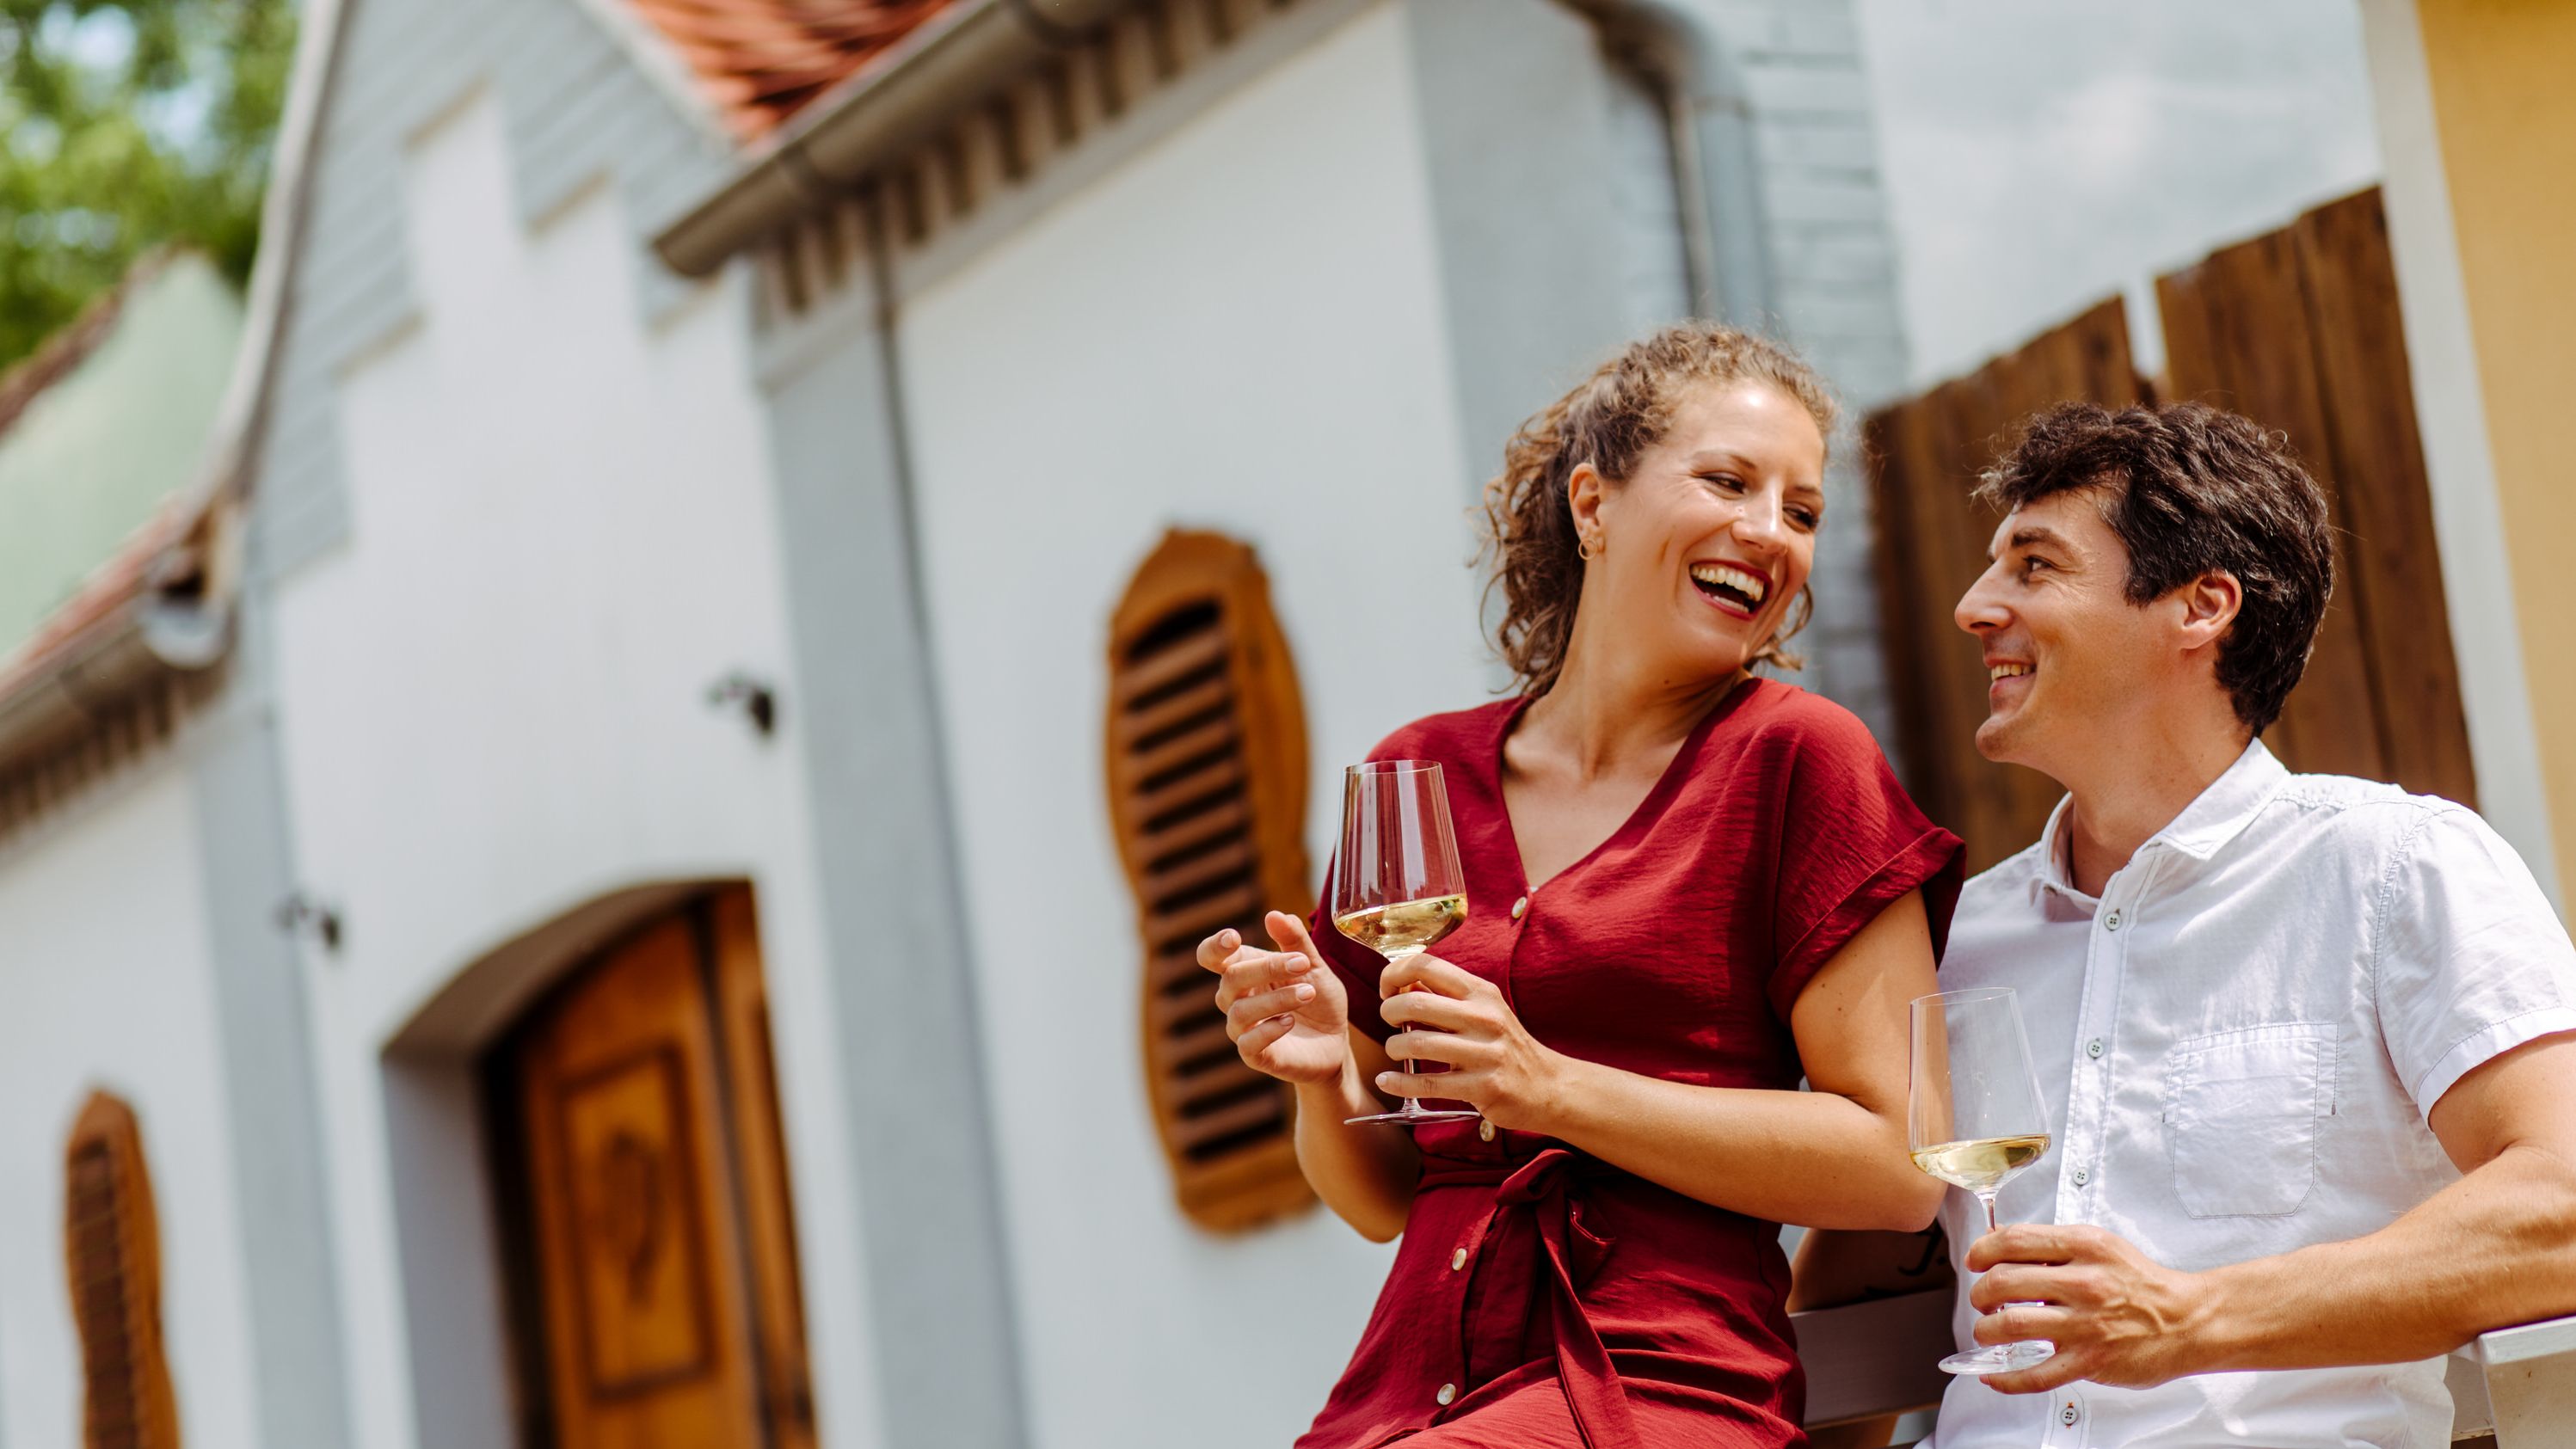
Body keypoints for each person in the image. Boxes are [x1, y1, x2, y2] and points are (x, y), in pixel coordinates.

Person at [1199, 322, 1967, 1447]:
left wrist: (1548, 1086)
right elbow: (1382, 1198)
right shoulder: (1418, 774)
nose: (1769, 530)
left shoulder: (1798, 759)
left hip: (1653, 1378)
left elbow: (1897, 1165)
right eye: (1727, 481)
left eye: (1800, 511)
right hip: (1407, 1389)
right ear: (1592, 504)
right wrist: (1324, 1079)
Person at [1904, 402, 2576, 1447]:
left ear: (2200, 605)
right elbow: (1863, 1259)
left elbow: (2563, 1205)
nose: (1971, 606)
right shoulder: (1956, 936)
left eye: (2033, 566)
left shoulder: (2395, 866)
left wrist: (2190, 1318)